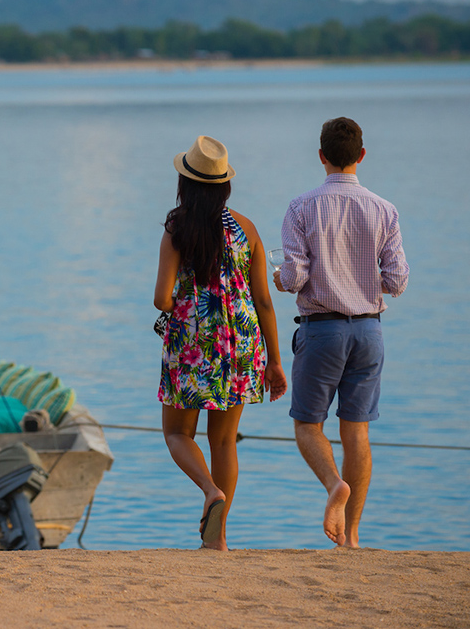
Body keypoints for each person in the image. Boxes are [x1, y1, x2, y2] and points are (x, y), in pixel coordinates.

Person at [274, 117, 408, 548]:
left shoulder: (301, 207)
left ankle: (334, 484)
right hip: (370, 331)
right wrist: (365, 275)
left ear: (321, 156)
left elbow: (294, 277)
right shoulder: (384, 209)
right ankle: (351, 536)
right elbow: (398, 280)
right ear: (361, 156)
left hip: (322, 330)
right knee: (358, 433)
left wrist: (279, 277)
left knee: (308, 425)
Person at [155, 135, 288, 551]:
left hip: (194, 341)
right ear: (224, 185)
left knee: (177, 433)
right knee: (225, 441)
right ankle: (220, 539)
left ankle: (210, 491)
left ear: (186, 183)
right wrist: (276, 362)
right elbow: (263, 299)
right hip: (242, 343)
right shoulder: (246, 229)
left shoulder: (178, 227)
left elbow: (161, 298)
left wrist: (183, 295)